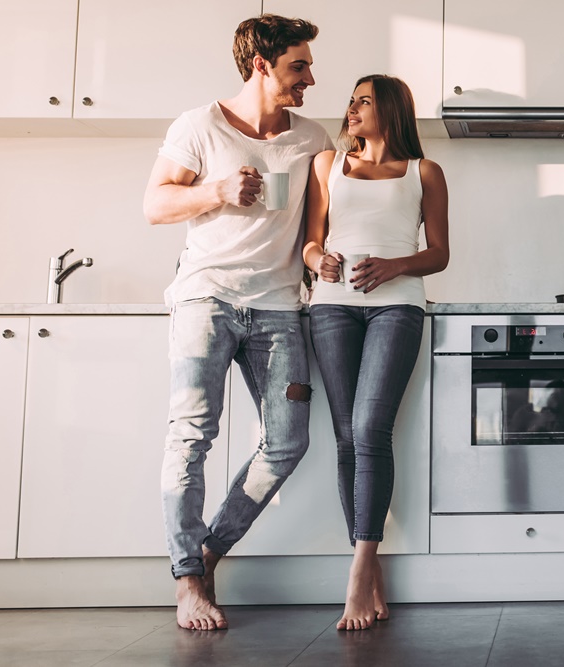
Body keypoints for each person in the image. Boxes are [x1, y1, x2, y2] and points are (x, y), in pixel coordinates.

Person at [143, 14, 333, 631]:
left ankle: (206, 552)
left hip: (279, 306)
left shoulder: (311, 137)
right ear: (261, 64)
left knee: (287, 441)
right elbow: (155, 204)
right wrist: (216, 191)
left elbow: (318, 226)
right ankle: (188, 582)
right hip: (206, 298)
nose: (309, 76)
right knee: (191, 435)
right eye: (298, 65)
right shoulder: (198, 125)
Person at [302, 74, 450, 631]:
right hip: (331, 306)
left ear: (390, 109)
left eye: (364, 100)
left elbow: (438, 253)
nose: (352, 108)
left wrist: (395, 266)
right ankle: (369, 562)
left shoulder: (424, 172)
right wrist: (321, 262)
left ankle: (360, 568)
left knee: (369, 431)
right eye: (352, 100)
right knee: (346, 437)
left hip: (398, 307)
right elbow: (311, 240)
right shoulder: (326, 165)